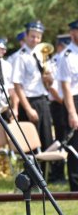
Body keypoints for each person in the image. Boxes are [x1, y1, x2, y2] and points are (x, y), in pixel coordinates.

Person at [11, 20, 53, 153]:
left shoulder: (42, 54)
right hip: (29, 102)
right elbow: (17, 85)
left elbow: (49, 83)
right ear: (26, 36)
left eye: (38, 37)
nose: (35, 40)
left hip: (43, 100)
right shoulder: (20, 56)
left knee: (47, 140)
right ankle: (32, 174)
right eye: (32, 36)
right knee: (32, 147)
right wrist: (28, 109)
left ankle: (48, 173)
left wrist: (49, 79)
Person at [58, 19, 78, 191]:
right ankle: (75, 186)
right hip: (74, 101)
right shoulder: (67, 56)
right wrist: (72, 112)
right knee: (75, 145)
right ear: (73, 33)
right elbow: (65, 87)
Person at [48, 34, 71, 183]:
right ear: (60, 46)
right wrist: (65, 103)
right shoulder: (54, 62)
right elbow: (52, 88)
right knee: (61, 139)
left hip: (67, 103)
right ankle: (57, 174)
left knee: (69, 140)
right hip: (59, 104)